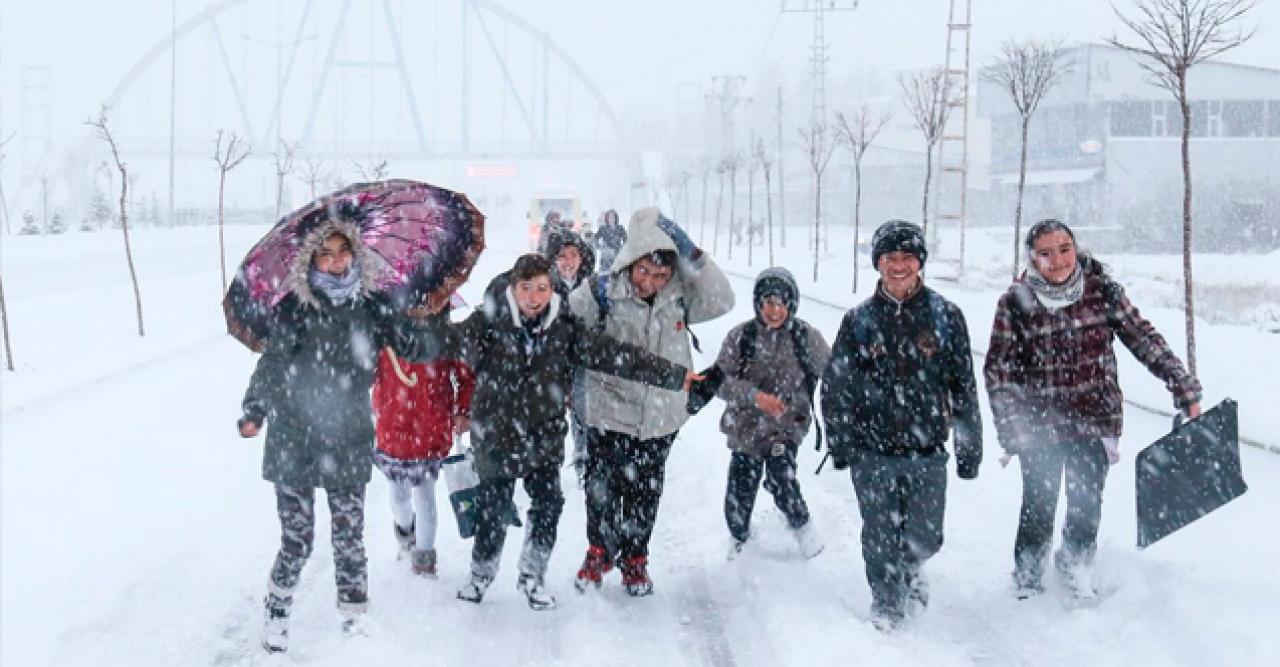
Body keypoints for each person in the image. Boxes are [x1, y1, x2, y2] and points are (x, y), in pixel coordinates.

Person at [444, 254, 702, 610]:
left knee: (548, 505)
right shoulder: (488, 322)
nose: (534, 297)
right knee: (493, 508)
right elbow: (444, 341)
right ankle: (480, 576)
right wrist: (414, 324)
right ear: (512, 289)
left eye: (542, 288)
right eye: (526, 288)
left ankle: (532, 576)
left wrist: (673, 375)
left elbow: (615, 355)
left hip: (543, 437)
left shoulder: (565, 329)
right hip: (496, 436)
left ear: (552, 290)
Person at [238, 221, 445, 653]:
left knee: (349, 534)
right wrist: (255, 407)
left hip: (348, 432)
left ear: (355, 254)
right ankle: (277, 611)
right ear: (312, 260)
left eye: (341, 252)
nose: (335, 262)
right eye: (325, 254)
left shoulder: (373, 306)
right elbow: (273, 364)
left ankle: (355, 617)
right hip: (294, 434)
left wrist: (419, 315)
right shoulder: (294, 307)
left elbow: (416, 349)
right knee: (297, 539)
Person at [984, 219, 1201, 601]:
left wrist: (1182, 387)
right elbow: (999, 372)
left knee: (1086, 503)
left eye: (1064, 249)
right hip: (1040, 426)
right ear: (1032, 258)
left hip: (1093, 418)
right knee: (1039, 502)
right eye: (1046, 253)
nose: (1057, 260)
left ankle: (1076, 571)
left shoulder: (1103, 293)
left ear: (1076, 248)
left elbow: (1144, 340)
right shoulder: (1015, 303)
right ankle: (1028, 581)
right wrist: (1011, 427)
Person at [820, 220, 982, 632]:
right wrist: (841, 440)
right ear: (877, 263)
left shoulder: (946, 316)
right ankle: (886, 601)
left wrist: (969, 445)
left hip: (927, 449)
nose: (898, 265)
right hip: (872, 450)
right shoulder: (858, 321)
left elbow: (963, 386)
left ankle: (910, 568)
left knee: (927, 535)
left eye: (907, 257)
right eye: (890, 257)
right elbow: (836, 384)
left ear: (920, 262)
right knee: (879, 533)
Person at [568, 207, 734, 596]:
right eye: (644, 271)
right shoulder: (601, 291)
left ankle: (635, 558)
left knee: (645, 491)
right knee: (602, 488)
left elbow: (722, 299)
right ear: (630, 262)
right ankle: (599, 550)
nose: (651, 282)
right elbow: (564, 329)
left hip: (660, 416)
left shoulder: (679, 298)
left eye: (661, 275)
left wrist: (694, 255)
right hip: (608, 410)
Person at [715, 267, 830, 559]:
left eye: (781, 303)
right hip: (746, 428)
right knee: (739, 495)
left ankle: (803, 527)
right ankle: (739, 540)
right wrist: (754, 397)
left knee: (782, 476)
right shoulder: (741, 337)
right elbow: (719, 382)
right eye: (768, 302)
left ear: (792, 304)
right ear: (757, 303)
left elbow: (836, 374)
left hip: (786, 426)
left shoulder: (806, 338)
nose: (774, 310)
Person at [371, 330, 474, 578]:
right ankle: (407, 534)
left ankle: (424, 559)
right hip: (394, 428)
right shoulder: (383, 334)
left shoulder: (443, 336)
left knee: (424, 496)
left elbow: (465, 376)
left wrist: (463, 409)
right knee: (399, 496)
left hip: (427, 428)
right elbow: (361, 371)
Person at [542, 230, 598, 483]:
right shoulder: (544, 285)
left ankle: (582, 459)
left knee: (582, 411)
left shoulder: (591, 285)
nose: (568, 261)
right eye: (562, 256)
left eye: (573, 255)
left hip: (582, 360)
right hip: (551, 362)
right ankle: (547, 463)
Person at [594, 208, 626, 274]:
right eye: (609, 217)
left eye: (613, 217)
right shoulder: (603, 228)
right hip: (606, 256)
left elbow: (626, 240)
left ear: (616, 218)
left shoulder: (620, 228)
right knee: (605, 274)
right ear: (607, 218)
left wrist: (622, 248)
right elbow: (595, 239)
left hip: (617, 255)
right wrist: (599, 247)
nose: (611, 219)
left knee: (617, 273)